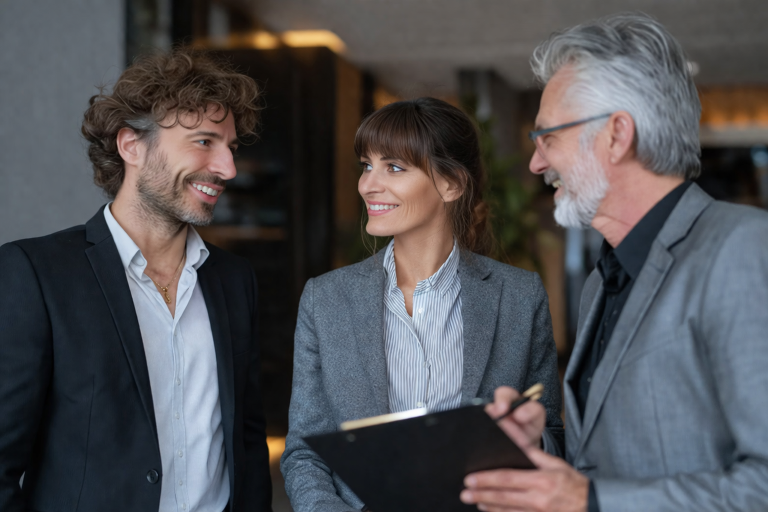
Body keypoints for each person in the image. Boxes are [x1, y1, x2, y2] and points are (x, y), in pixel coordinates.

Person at [460, 12, 768, 512]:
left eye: (548, 137)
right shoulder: (603, 282)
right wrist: (534, 444)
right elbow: (597, 464)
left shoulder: (742, 250)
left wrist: (593, 500)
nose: (536, 163)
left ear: (616, 135)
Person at [0, 48, 272, 511]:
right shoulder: (37, 273)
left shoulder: (233, 279)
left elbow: (245, 440)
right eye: (205, 142)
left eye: (231, 148)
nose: (227, 168)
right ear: (131, 146)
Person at [281, 97, 564, 512]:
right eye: (366, 165)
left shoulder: (520, 297)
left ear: (452, 184)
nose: (368, 184)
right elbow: (304, 453)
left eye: (393, 167)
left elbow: (554, 437)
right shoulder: (326, 300)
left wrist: (532, 434)